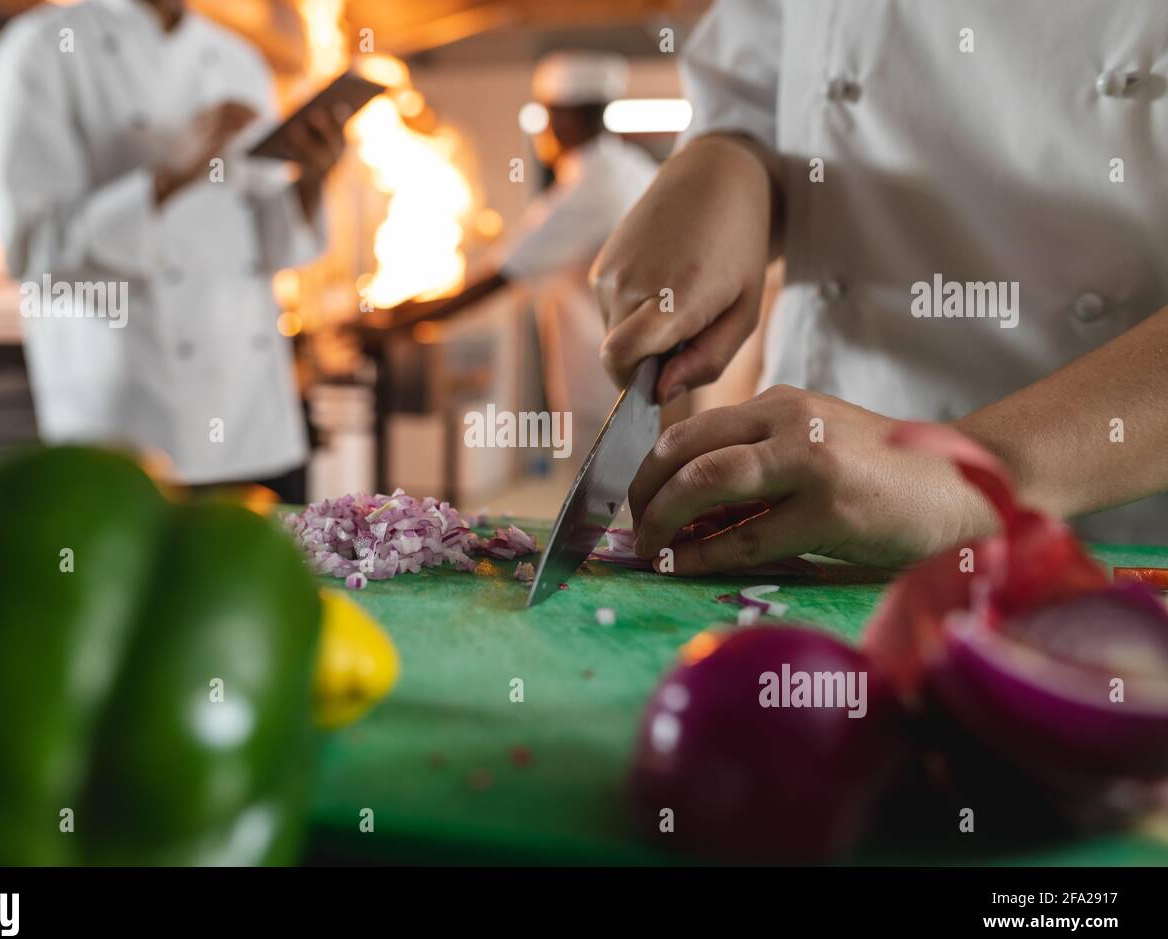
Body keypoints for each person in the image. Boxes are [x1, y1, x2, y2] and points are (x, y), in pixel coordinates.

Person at [593, 0, 1168, 573]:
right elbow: (761, 81)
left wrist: (972, 473)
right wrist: (724, 161)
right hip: (813, 517)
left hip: (1113, 538)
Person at [0, 0, 347, 500]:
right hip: (130, 426)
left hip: (255, 421)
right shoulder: (42, 48)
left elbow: (268, 247)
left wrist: (312, 178)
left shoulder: (238, 57)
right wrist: (171, 175)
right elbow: (34, 253)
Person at [393, 51, 658, 462]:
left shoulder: (591, 185)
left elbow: (502, 274)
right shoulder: (627, 167)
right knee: (623, 488)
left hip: (600, 365)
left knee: (601, 494)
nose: (543, 132)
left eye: (547, 118)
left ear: (568, 119)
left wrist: (401, 320)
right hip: (631, 363)